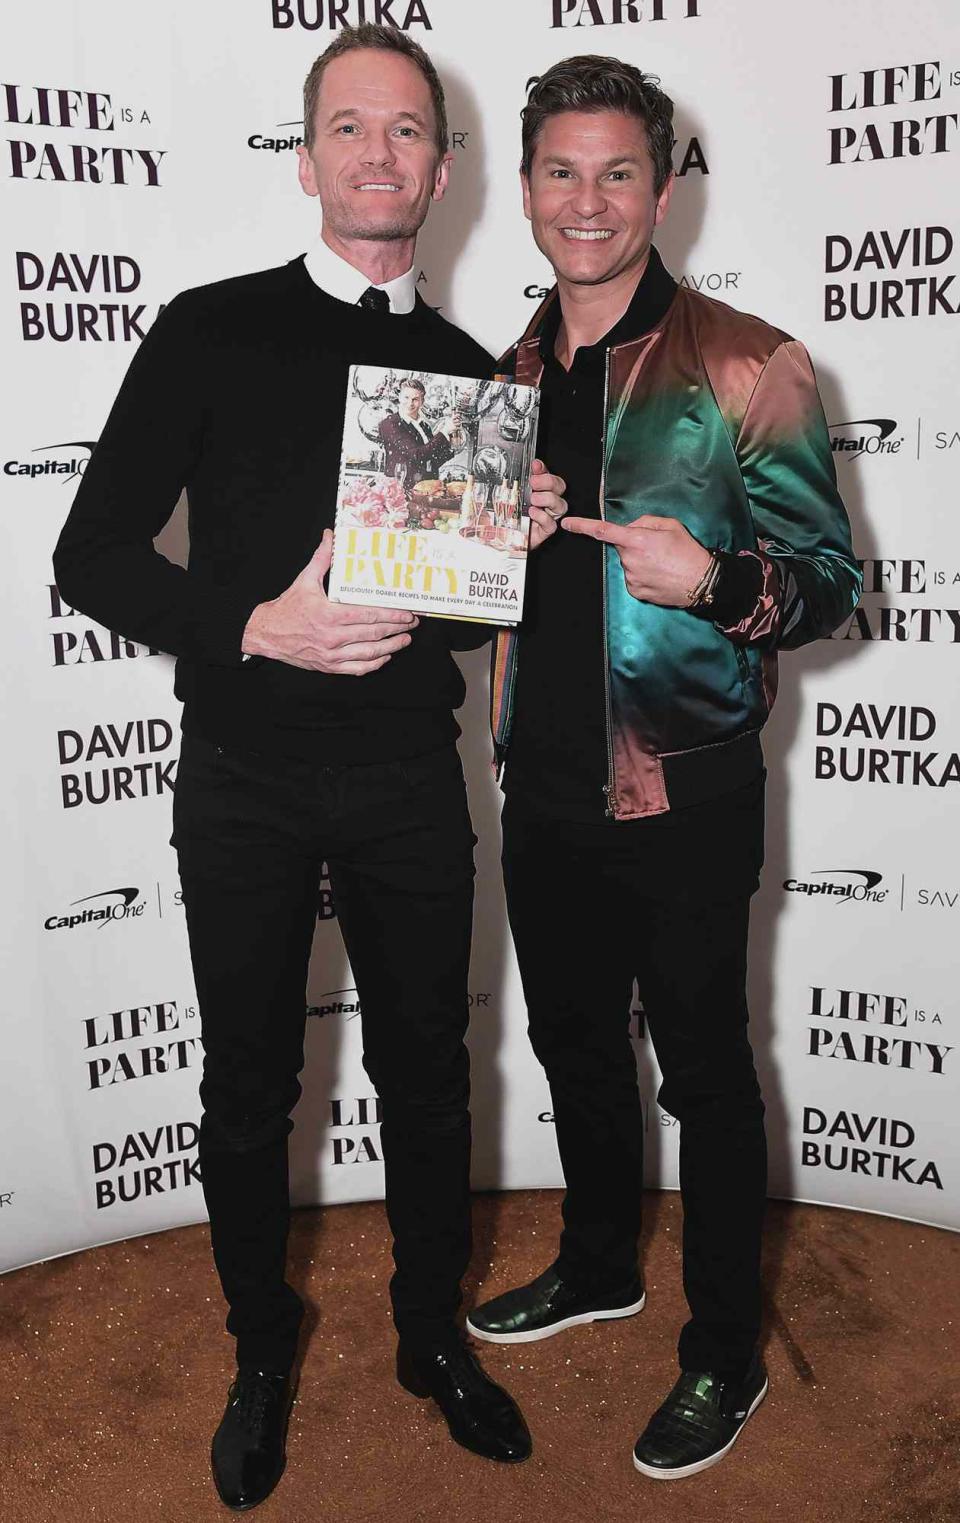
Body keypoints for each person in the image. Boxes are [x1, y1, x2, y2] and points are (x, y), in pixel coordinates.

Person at [53, 25, 566, 1512]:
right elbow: (86, 553)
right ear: (306, 157)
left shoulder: (475, 378)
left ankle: (427, 1337)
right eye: (350, 127)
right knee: (246, 1089)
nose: (378, 156)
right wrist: (253, 621)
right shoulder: (210, 330)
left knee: (426, 1074)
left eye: (407, 131)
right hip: (245, 775)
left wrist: (507, 546)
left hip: (410, 777)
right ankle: (259, 1349)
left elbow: (461, 618)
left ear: (444, 168)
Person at [467, 56, 861, 1482]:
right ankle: (594, 1261)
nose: (588, 201)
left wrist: (717, 580)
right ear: (522, 189)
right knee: (574, 1046)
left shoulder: (748, 364)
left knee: (701, 1068)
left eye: (617, 172)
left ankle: (725, 1348)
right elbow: (455, 598)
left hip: (687, 789)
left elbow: (829, 587)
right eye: (560, 172)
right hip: (542, 781)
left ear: (665, 186)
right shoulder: (493, 385)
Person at [378, 375, 461, 485]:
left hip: (427, 487)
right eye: (406, 397)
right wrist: (445, 431)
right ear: (399, 398)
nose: (410, 403)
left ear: (422, 402)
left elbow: (432, 459)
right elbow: (417, 455)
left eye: (415, 399)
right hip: (402, 491)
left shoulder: (424, 426)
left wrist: (452, 442)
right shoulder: (390, 423)